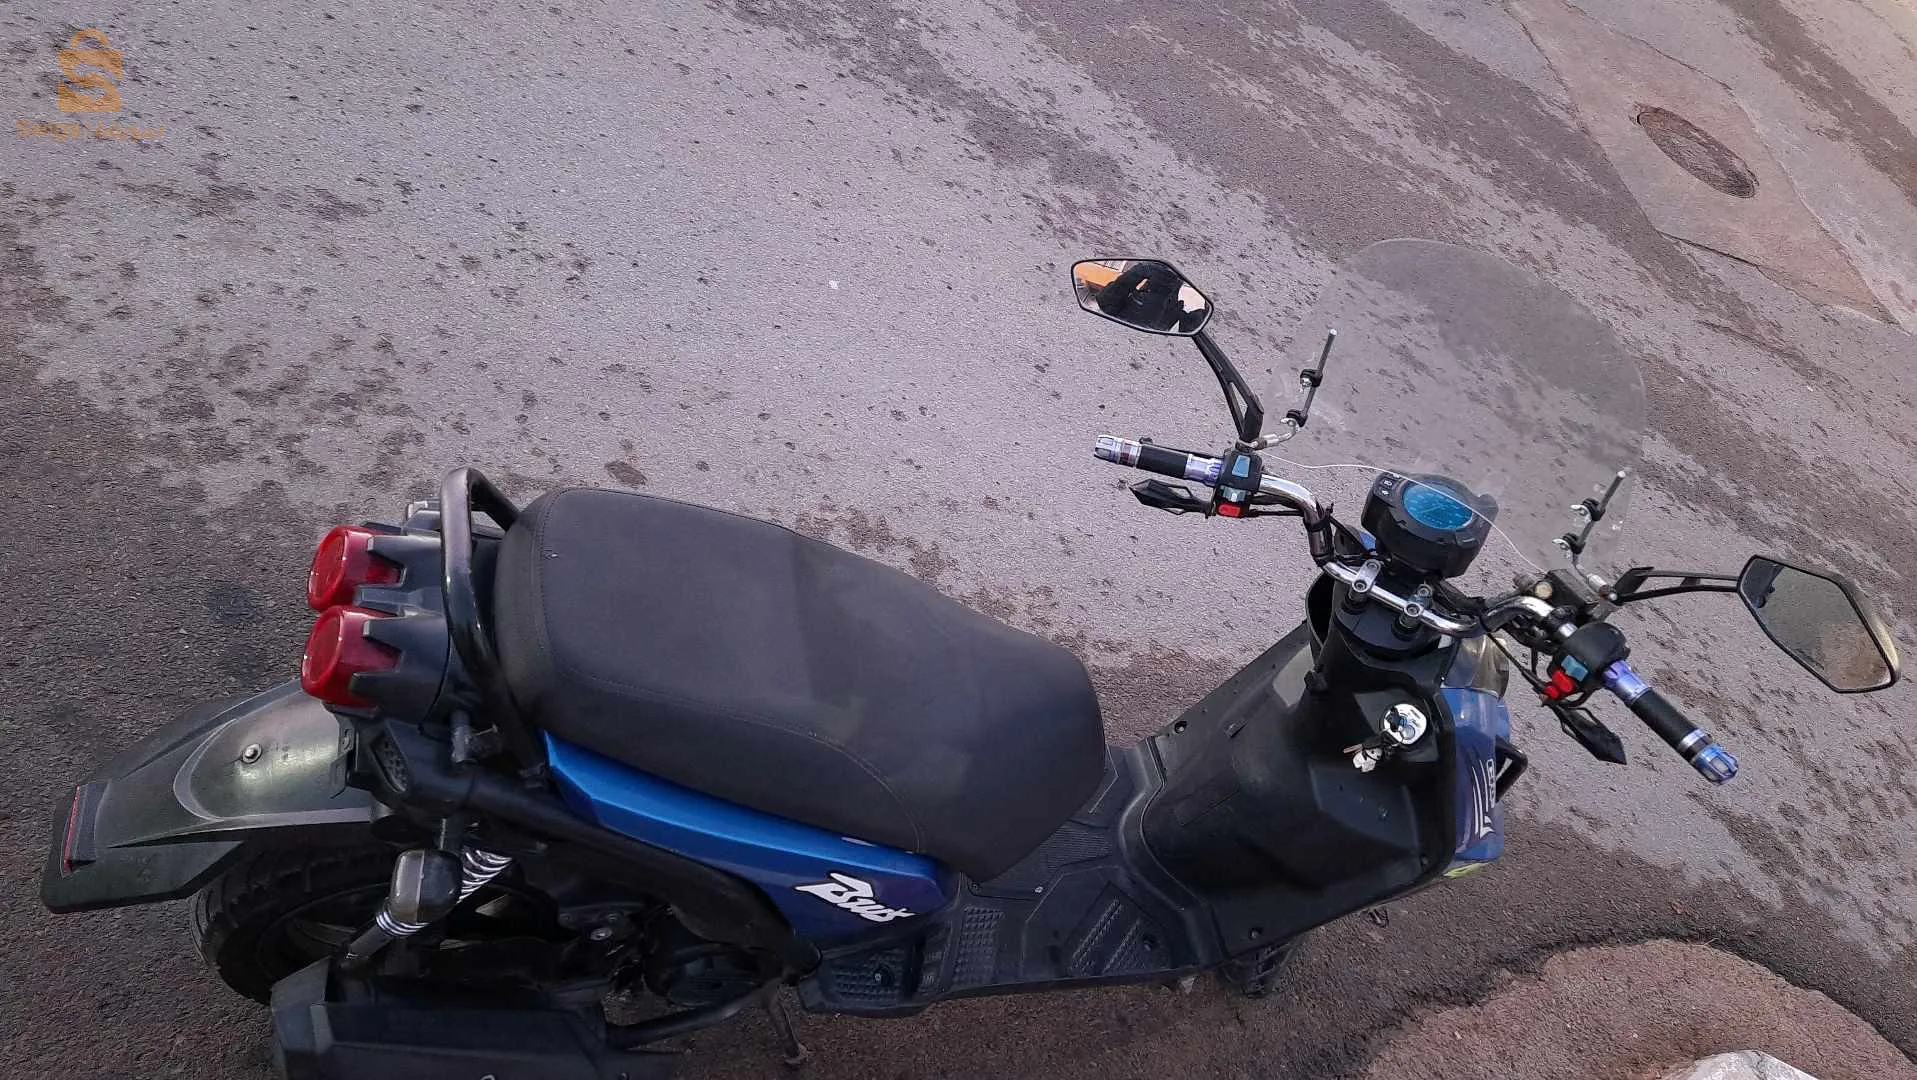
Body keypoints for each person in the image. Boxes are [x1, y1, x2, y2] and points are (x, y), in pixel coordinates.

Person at [1095, 261, 1206, 333]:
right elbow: (1106, 302)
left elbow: (1106, 301)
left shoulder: (1175, 310)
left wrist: (1142, 270)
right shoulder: (1174, 310)